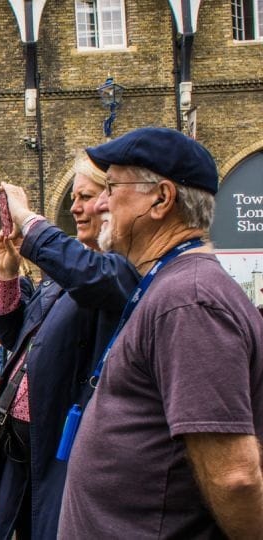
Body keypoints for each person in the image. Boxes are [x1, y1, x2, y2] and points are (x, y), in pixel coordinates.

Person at [15, 127, 263, 537]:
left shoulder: (189, 300)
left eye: (111, 187)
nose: (103, 202)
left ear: (161, 199)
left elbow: (234, 477)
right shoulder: (172, 286)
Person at [0, 158, 138, 539]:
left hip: (61, 444)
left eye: (84, 196)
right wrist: (6, 274)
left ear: (111, 200)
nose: (74, 207)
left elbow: (91, 276)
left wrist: (29, 220)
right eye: (73, 197)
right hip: (22, 442)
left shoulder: (118, 268)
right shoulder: (64, 272)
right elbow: (17, 337)